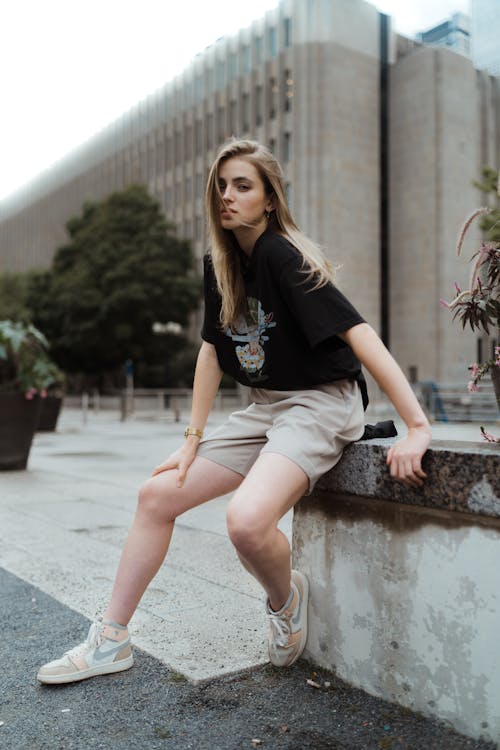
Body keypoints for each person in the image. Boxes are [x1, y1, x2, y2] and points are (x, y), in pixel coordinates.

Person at [37, 139, 432, 685]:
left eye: (242, 185)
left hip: (321, 402)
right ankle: (111, 640)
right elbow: (211, 349)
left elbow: (359, 334)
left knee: (246, 523)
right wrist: (192, 439)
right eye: (221, 185)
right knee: (156, 495)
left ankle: (284, 598)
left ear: (270, 198)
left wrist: (417, 425)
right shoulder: (220, 263)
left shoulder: (282, 255)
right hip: (267, 407)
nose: (227, 195)